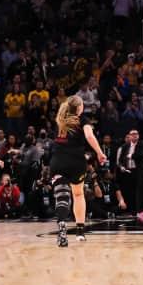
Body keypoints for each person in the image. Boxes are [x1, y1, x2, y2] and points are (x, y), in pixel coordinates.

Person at [48, 96, 107, 247]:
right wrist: (100, 153)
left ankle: (62, 223)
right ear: (79, 108)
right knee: (78, 194)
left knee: (62, 196)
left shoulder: (60, 120)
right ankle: (80, 232)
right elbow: (89, 135)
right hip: (76, 162)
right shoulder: (83, 120)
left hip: (58, 161)